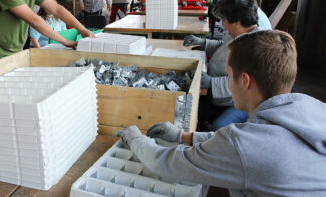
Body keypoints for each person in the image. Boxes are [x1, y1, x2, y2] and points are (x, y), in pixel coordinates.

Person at [118, 30, 326, 196]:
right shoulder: (314, 109)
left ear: (244, 81)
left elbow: (164, 162)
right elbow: (243, 142)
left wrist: (134, 137)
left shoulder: (245, 145)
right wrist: (184, 136)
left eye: (228, 76)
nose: (227, 83)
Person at [183, 0, 262, 130]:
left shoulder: (255, 46)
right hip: (218, 98)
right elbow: (223, 46)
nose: (222, 24)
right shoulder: (240, 34)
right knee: (186, 109)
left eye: (224, 20)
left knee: (219, 127)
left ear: (237, 21)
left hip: (238, 103)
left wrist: (211, 82)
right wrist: (203, 43)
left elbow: (242, 83)